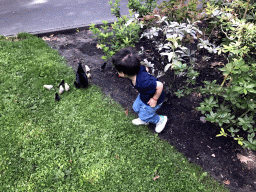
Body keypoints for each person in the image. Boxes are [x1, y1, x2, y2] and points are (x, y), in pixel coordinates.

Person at [112, 47, 168, 133]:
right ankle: (144, 119)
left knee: (144, 116)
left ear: (123, 73)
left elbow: (160, 85)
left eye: (118, 71)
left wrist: (154, 99)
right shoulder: (137, 69)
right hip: (144, 95)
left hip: (152, 100)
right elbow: (146, 69)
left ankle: (160, 120)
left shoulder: (143, 82)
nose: (117, 72)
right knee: (136, 107)